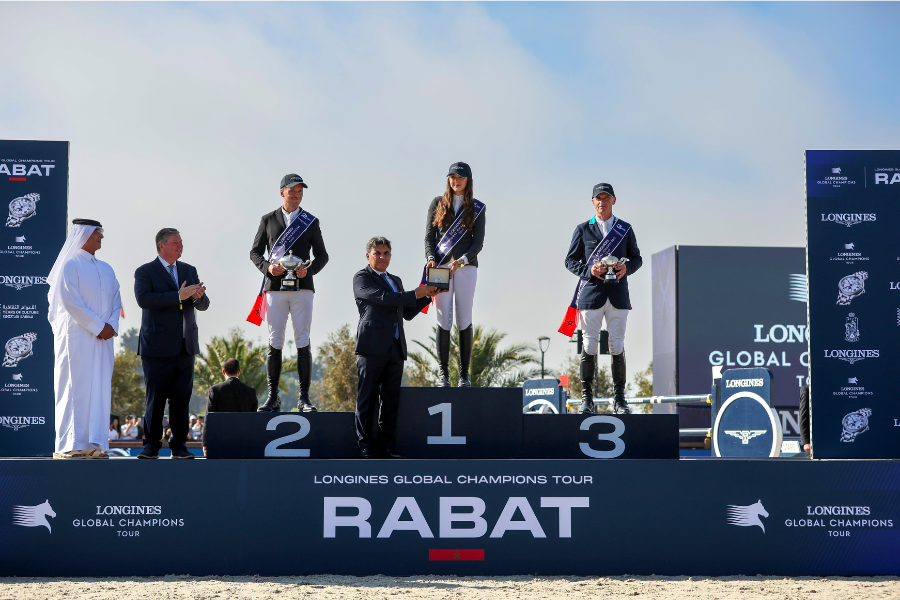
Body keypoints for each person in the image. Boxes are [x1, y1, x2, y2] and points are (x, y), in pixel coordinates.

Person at [354, 237, 442, 458]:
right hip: (371, 348)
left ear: (390, 256)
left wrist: (428, 295)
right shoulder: (362, 278)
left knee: (391, 400)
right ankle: (366, 446)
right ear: (368, 256)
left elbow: (408, 312)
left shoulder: (395, 280)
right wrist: (416, 293)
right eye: (377, 253)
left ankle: (387, 446)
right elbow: (384, 299)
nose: (382, 257)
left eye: (386, 253)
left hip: (395, 348)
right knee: (367, 399)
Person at [250, 174, 329, 413]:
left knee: (303, 340)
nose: (296, 194)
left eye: (300, 191)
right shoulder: (268, 219)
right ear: (282, 192)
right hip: (275, 288)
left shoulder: (310, 221)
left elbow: (323, 255)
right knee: (275, 341)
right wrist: (267, 268)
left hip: (303, 288)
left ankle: (304, 398)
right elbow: (255, 253)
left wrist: (309, 270)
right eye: (292, 190)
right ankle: (273, 397)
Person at [564, 183, 642, 415]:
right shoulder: (582, 229)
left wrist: (625, 268)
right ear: (592, 202)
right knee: (589, 345)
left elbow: (637, 258)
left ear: (614, 201)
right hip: (591, 295)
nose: (602, 202)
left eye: (606, 198)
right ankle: (587, 400)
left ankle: (619, 400)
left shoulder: (625, 229)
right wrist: (590, 271)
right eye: (598, 198)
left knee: (616, 345)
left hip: (618, 294)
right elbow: (569, 261)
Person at [47, 218, 122, 459]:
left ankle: (94, 444)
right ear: (83, 235)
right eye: (97, 233)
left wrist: (110, 325)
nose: (101, 237)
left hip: (103, 340)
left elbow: (116, 300)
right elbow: (71, 302)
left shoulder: (107, 268)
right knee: (74, 387)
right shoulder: (70, 265)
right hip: (77, 338)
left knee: (98, 388)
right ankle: (69, 445)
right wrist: (98, 326)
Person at [134, 228, 210, 459]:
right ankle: (151, 447)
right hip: (156, 347)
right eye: (175, 243)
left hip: (185, 347)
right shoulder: (145, 271)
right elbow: (143, 299)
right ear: (161, 245)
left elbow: (204, 305)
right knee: (155, 400)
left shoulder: (189, 270)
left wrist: (198, 297)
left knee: (181, 401)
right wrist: (179, 296)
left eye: (181, 243)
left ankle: (179, 446)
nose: (180, 246)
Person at [424, 162, 486, 387]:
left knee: (464, 318)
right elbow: (429, 237)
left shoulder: (477, 208)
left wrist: (461, 262)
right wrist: (430, 257)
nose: (456, 181)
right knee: (443, 318)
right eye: (452, 177)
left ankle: (464, 375)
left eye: (460, 177)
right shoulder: (437, 203)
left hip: (466, 268)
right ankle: (443, 375)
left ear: (468, 180)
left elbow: (477, 243)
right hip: (440, 267)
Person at [202, 357, 258, 456]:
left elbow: (208, 418)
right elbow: (254, 420)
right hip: (244, 442)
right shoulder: (251, 392)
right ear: (239, 371)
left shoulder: (215, 390)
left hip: (220, 442)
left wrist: (205, 443)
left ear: (223, 371)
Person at [799, 384, 811, 454]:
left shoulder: (835, 388)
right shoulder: (807, 389)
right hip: (816, 443)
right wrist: (806, 442)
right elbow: (804, 416)